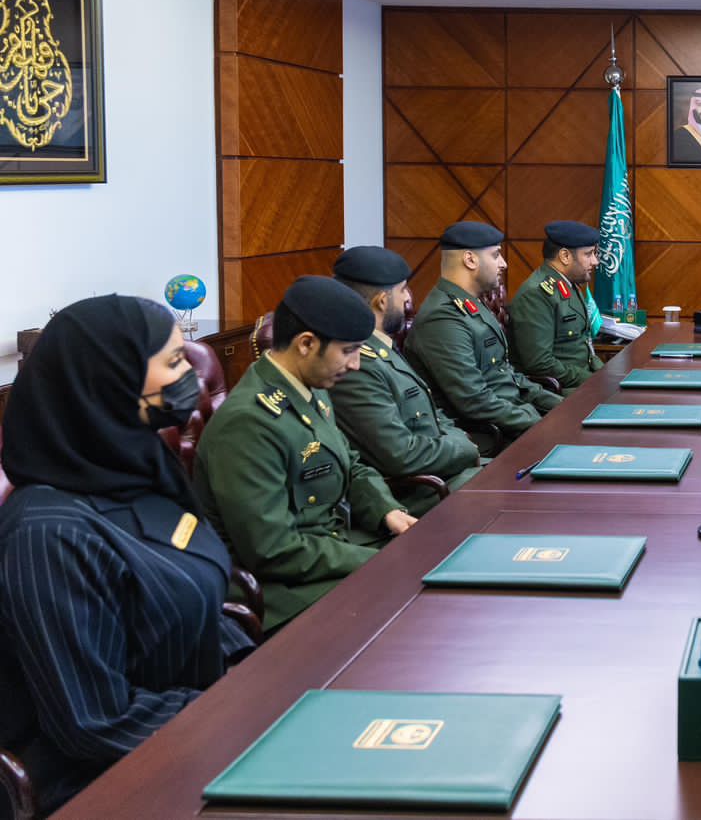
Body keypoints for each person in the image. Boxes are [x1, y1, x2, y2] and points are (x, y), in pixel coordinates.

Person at [0, 297, 254, 814]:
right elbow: (94, 723)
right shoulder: (47, 534)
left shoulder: (137, 467)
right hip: (111, 777)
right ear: (109, 381)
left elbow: (192, 596)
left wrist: (256, 674)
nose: (192, 375)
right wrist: (238, 715)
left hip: (194, 726)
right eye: (174, 361)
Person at [194, 277, 414, 632]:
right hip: (283, 591)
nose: (356, 365)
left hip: (328, 552)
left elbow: (351, 463)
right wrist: (374, 560)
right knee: (412, 604)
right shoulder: (248, 422)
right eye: (349, 351)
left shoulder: (309, 385)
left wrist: (386, 510)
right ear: (306, 344)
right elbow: (274, 549)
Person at [329, 246, 481, 514]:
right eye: (402, 290)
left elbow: (433, 415)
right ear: (382, 301)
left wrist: (460, 443)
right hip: (419, 494)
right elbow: (400, 455)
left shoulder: (382, 348)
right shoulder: (358, 366)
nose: (408, 298)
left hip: (446, 471)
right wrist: (463, 449)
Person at [403, 221, 563, 454]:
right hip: (487, 436)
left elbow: (508, 376)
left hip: (512, 419)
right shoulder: (442, 318)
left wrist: (561, 407)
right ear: (470, 260)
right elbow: (474, 400)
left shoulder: (471, 304)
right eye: (496, 255)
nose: (503, 263)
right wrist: (541, 424)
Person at [507, 220, 606, 392]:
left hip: (581, 381)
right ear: (565, 256)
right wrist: (592, 381)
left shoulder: (568, 284)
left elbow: (585, 345)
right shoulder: (536, 294)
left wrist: (605, 374)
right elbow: (540, 363)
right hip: (559, 390)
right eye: (588, 254)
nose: (595, 261)